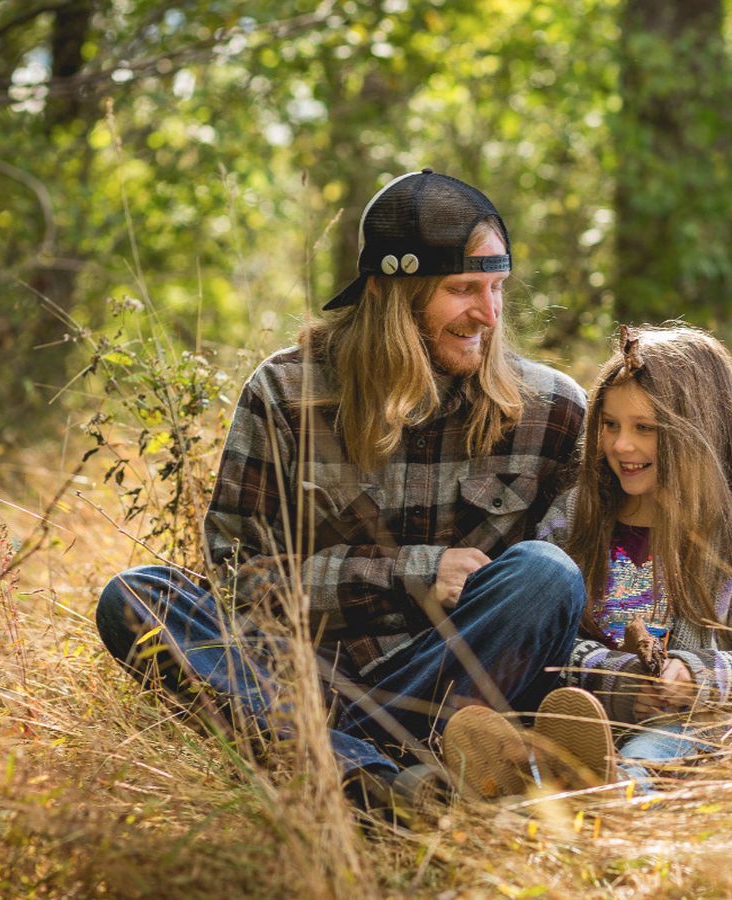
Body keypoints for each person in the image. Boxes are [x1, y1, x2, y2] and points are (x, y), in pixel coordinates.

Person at [94, 170, 587, 810]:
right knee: (136, 597)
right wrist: (413, 574)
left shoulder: (554, 409)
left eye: (496, 287)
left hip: (463, 686)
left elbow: (567, 609)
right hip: (313, 680)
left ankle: (351, 767)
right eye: (463, 289)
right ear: (388, 292)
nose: (489, 315)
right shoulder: (286, 393)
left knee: (547, 575)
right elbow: (237, 579)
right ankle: (398, 777)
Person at [536, 323, 732, 789]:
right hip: (584, 711)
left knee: (659, 744)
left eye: (645, 428)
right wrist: (617, 678)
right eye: (611, 425)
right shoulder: (573, 518)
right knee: (539, 736)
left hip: (680, 721)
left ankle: (620, 788)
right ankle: (524, 775)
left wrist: (696, 677)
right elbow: (543, 640)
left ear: (697, 433)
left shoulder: (730, 537)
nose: (621, 445)